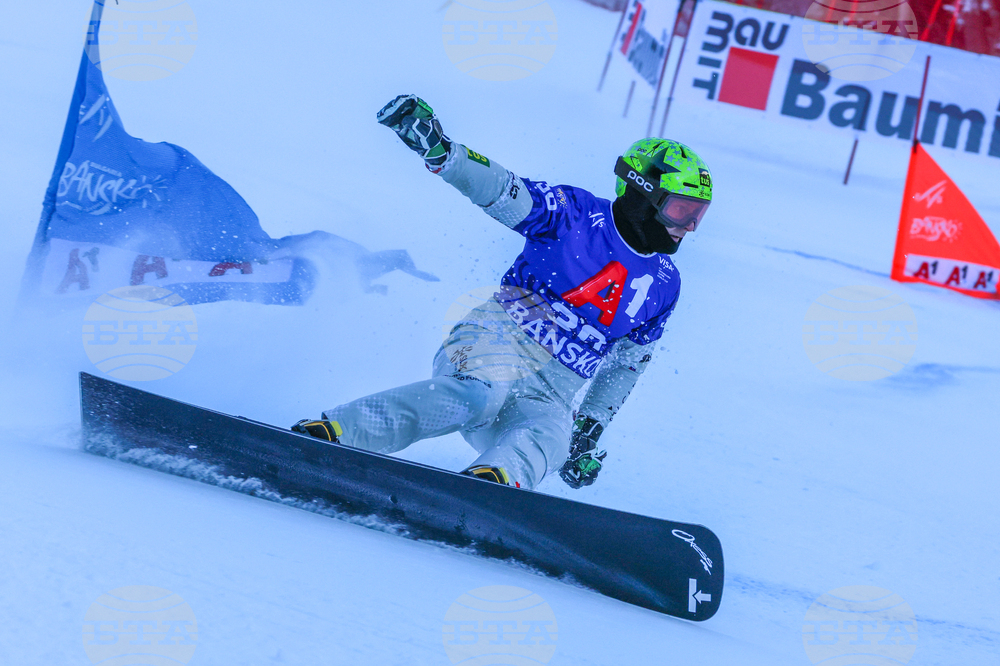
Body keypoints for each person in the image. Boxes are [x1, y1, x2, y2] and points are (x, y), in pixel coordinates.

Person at [292, 95, 713, 490]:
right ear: (641, 192)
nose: (688, 227)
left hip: (551, 391)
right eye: (680, 209)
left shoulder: (665, 284)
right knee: (477, 397)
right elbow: (503, 189)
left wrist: (588, 427)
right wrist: (445, 154)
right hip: (495, 339)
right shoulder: (574, 213)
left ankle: (492, 486)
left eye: (698, 215)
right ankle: (340, 430)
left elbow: (627, 364)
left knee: (552, 437)